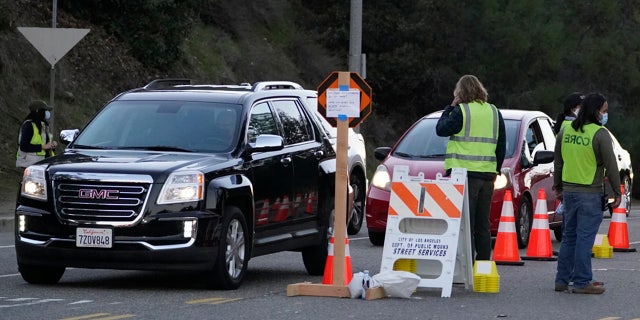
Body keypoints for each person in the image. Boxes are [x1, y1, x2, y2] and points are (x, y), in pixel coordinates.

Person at [553, 93, 621, 294]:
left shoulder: (565, 131)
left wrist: (558, 187)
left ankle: (562, 280)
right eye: (604, 110)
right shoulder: (600, 134)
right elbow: (611, 165)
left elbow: (558, 161)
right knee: (584, 238)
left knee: (569, 237)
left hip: (569, 191)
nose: (605, 114)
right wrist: (617, 192)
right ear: (595, 111)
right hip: (590, 193)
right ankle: (582, 282)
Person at [436, 75, 506, 261]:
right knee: (483, 222)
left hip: (465, 174)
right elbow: (501, 145)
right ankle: (482, 264)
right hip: (487, 174)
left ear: (461, 92)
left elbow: (441, 129)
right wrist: (496, 170)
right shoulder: (494, 112)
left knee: (466, 222)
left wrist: (449, 107)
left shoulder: (461, 111)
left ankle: (465, 264)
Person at [16, 100, 57, 169]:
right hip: (29, 164)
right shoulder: (29, 125)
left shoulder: (43, 125)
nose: (47, 112)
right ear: (38, 110)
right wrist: (43, 147)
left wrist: (51, 145)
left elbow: (45, 144)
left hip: (42, 163)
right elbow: (24, 146)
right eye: (45, 110)